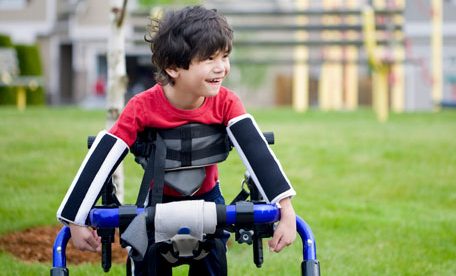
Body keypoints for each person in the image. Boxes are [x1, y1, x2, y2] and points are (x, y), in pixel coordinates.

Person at [57, 6, 296, 276]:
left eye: (225, 56)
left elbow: (257, 153)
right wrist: (74, 219)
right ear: (172, 67)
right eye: (209, 58)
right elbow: (105, 154)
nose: (221, 67)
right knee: (144, 259)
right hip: (157, 203)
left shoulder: (227, 102)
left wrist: (285, 211)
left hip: (208, 201)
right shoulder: (142, 106)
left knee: (214, 262)